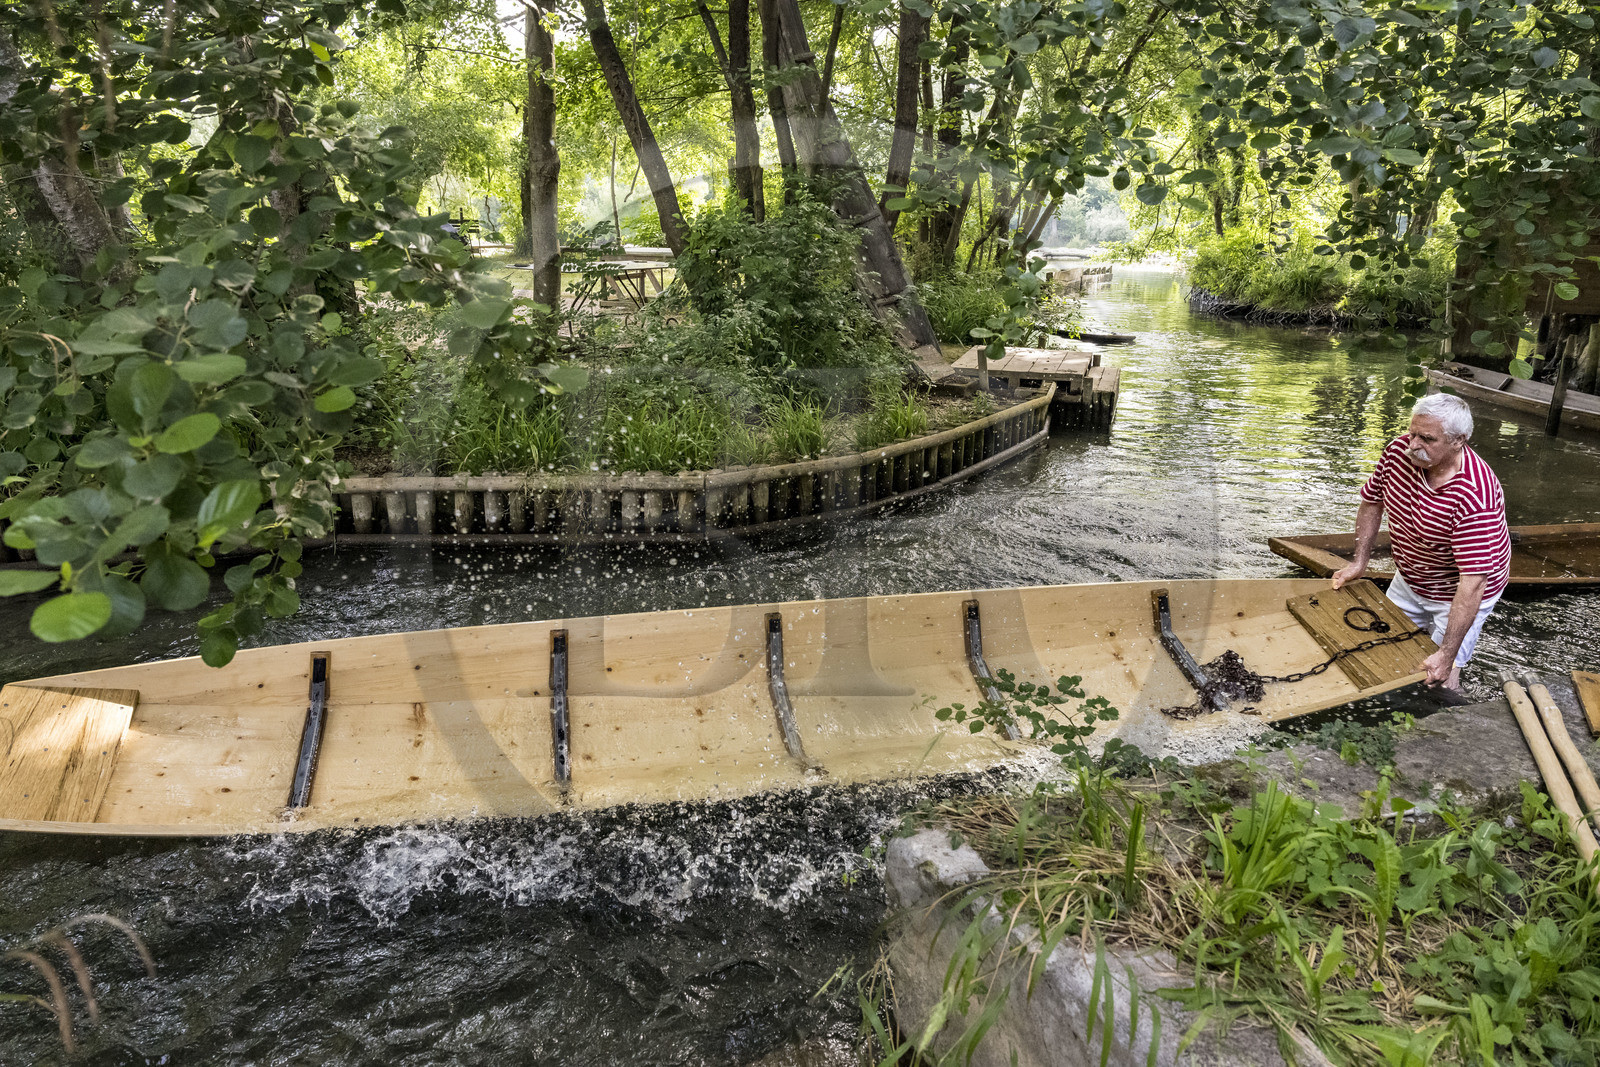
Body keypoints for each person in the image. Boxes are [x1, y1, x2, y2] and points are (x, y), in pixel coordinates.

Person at [1331, 393, 1511, 689]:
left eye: (1427, 439)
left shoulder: (1475, 497)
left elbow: (1473, 582)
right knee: (1383, 648)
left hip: (1459, 591)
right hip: (1412, 573)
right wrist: (1359, 561)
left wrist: (1446, 654)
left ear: (1458, 440)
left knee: (1438, 676)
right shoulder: (1398, 450)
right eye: (1412, 433)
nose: (1413, 445)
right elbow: (1372, 502)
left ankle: (1450, 716)